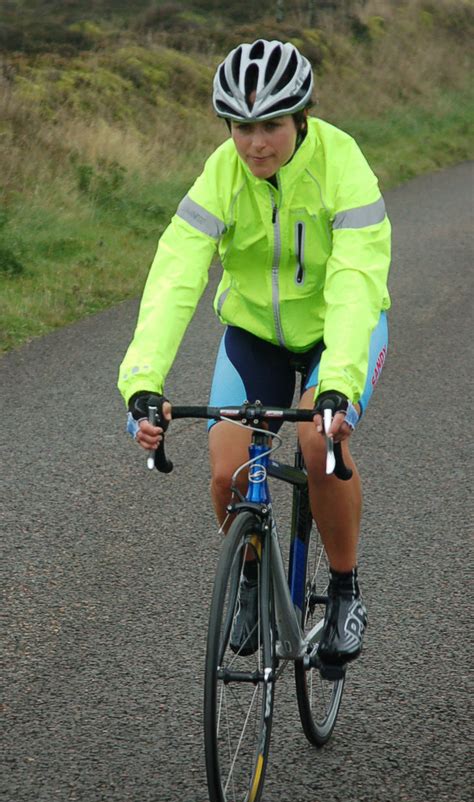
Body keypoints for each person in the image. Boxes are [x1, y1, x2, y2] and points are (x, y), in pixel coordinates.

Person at [118, 39, 391, 665]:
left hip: (337, 332)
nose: (255, 143)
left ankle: (346, 589)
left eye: (270, 125)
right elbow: (175, 275)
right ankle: (249, 576)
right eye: (242, 127)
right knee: (226, 471)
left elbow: (355, 281)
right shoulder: (222, 172)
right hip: (255, 335)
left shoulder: (342, 164)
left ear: (301, 118)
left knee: (320, 444)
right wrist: (141, 381)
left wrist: (338, 384)